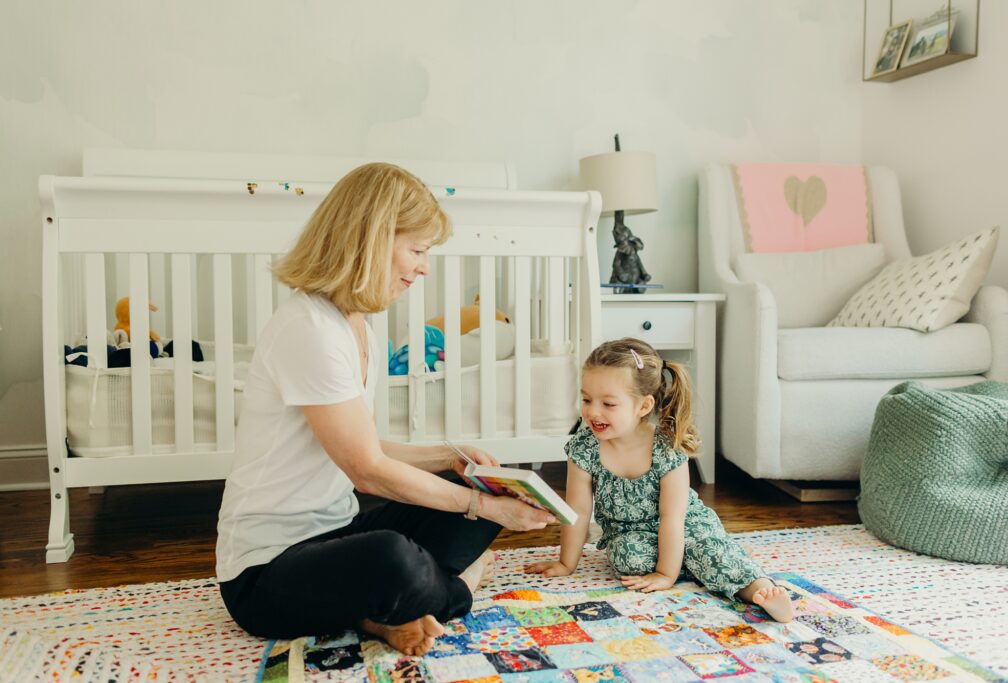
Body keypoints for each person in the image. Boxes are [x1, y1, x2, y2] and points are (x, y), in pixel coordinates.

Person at [216, 163, 555, 657]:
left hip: (335, 534)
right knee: (395, 557)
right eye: (417, 250)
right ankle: (455, 590)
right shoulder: (307, 327)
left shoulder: (356, 324)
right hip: (264, 572)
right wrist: (484, 506)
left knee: (471, 485)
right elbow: (366, 471)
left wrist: (449, 457)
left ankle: (389, 610)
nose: (423, 267)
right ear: (372, 239)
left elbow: (367, 445)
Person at [525, 338, 793, 622]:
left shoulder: (666, 448)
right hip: (631, 534)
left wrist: (665, 575)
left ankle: (760, 590)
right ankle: (701, 560)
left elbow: (672, 518)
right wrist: (566, 563)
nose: (593, 412)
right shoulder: (584, 447)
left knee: (706, 550)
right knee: (627, 558)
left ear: (643, 406)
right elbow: (578, 511)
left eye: (608, 403)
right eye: (587, 400)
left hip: (683, 525)